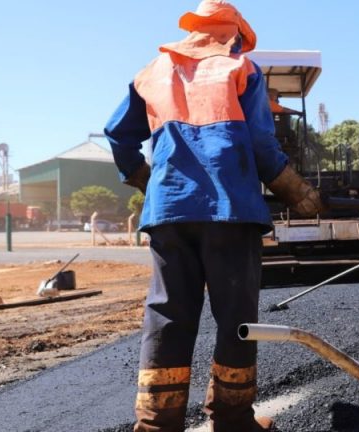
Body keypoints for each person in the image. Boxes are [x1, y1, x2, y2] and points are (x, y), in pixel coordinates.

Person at [104, 1, 324, 431]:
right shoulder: (241, 68)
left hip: (170, 213)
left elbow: (118, 135)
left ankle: (156, 424)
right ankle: (232, 420)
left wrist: (146, 180)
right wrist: (297, 191)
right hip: (230, 210)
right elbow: (262, 146)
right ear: (234, 34)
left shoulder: (152, 71)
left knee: (168, 314)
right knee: (237, 318)